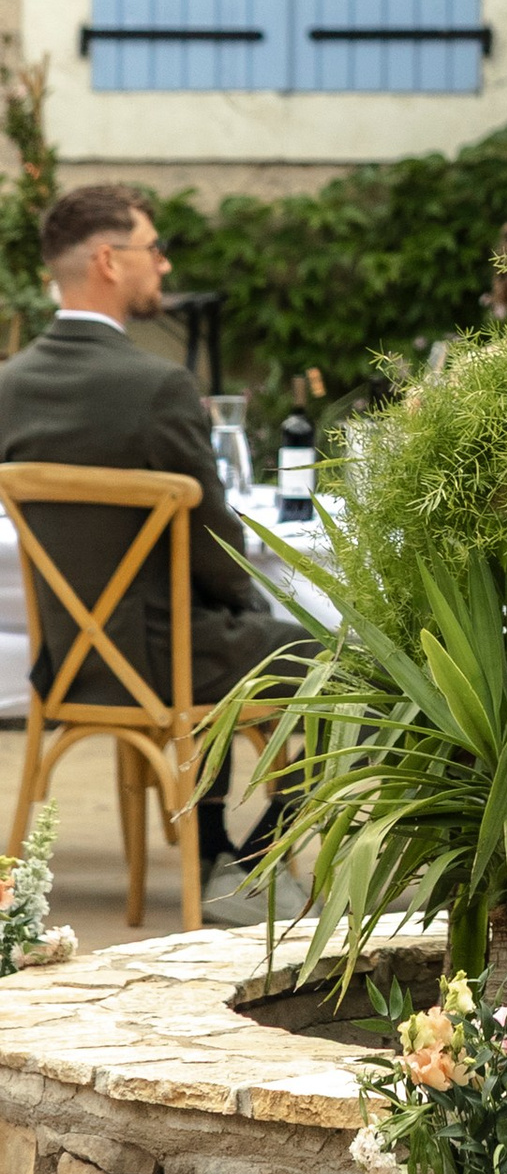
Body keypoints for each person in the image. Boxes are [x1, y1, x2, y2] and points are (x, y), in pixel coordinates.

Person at [0, 186, 305, 926]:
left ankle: (210, 848)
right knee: (331, 660)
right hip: (165, 660)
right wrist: (248, 605)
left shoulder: (9, 386)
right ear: (108, 261)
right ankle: (255, 857)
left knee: (221, 633)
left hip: (67, 662)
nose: (164, 266)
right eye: (153, 249)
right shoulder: (158, 386)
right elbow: (216, 546)